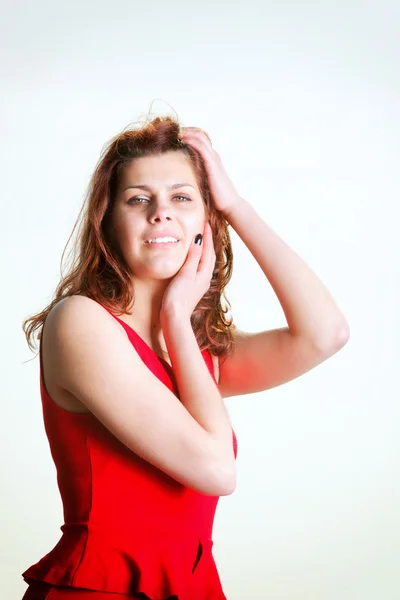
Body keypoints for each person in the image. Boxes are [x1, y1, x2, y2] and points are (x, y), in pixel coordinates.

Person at [21, 116, 349, 600]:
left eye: (181, 197)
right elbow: (217, 471)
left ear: (205, 219)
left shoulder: (197, 351)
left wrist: (235, 205)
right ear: (108, 218)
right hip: (100, 589)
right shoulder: (80, 322)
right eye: (138, 199)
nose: (161, 213)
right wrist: (176, 318)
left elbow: (326, 334)